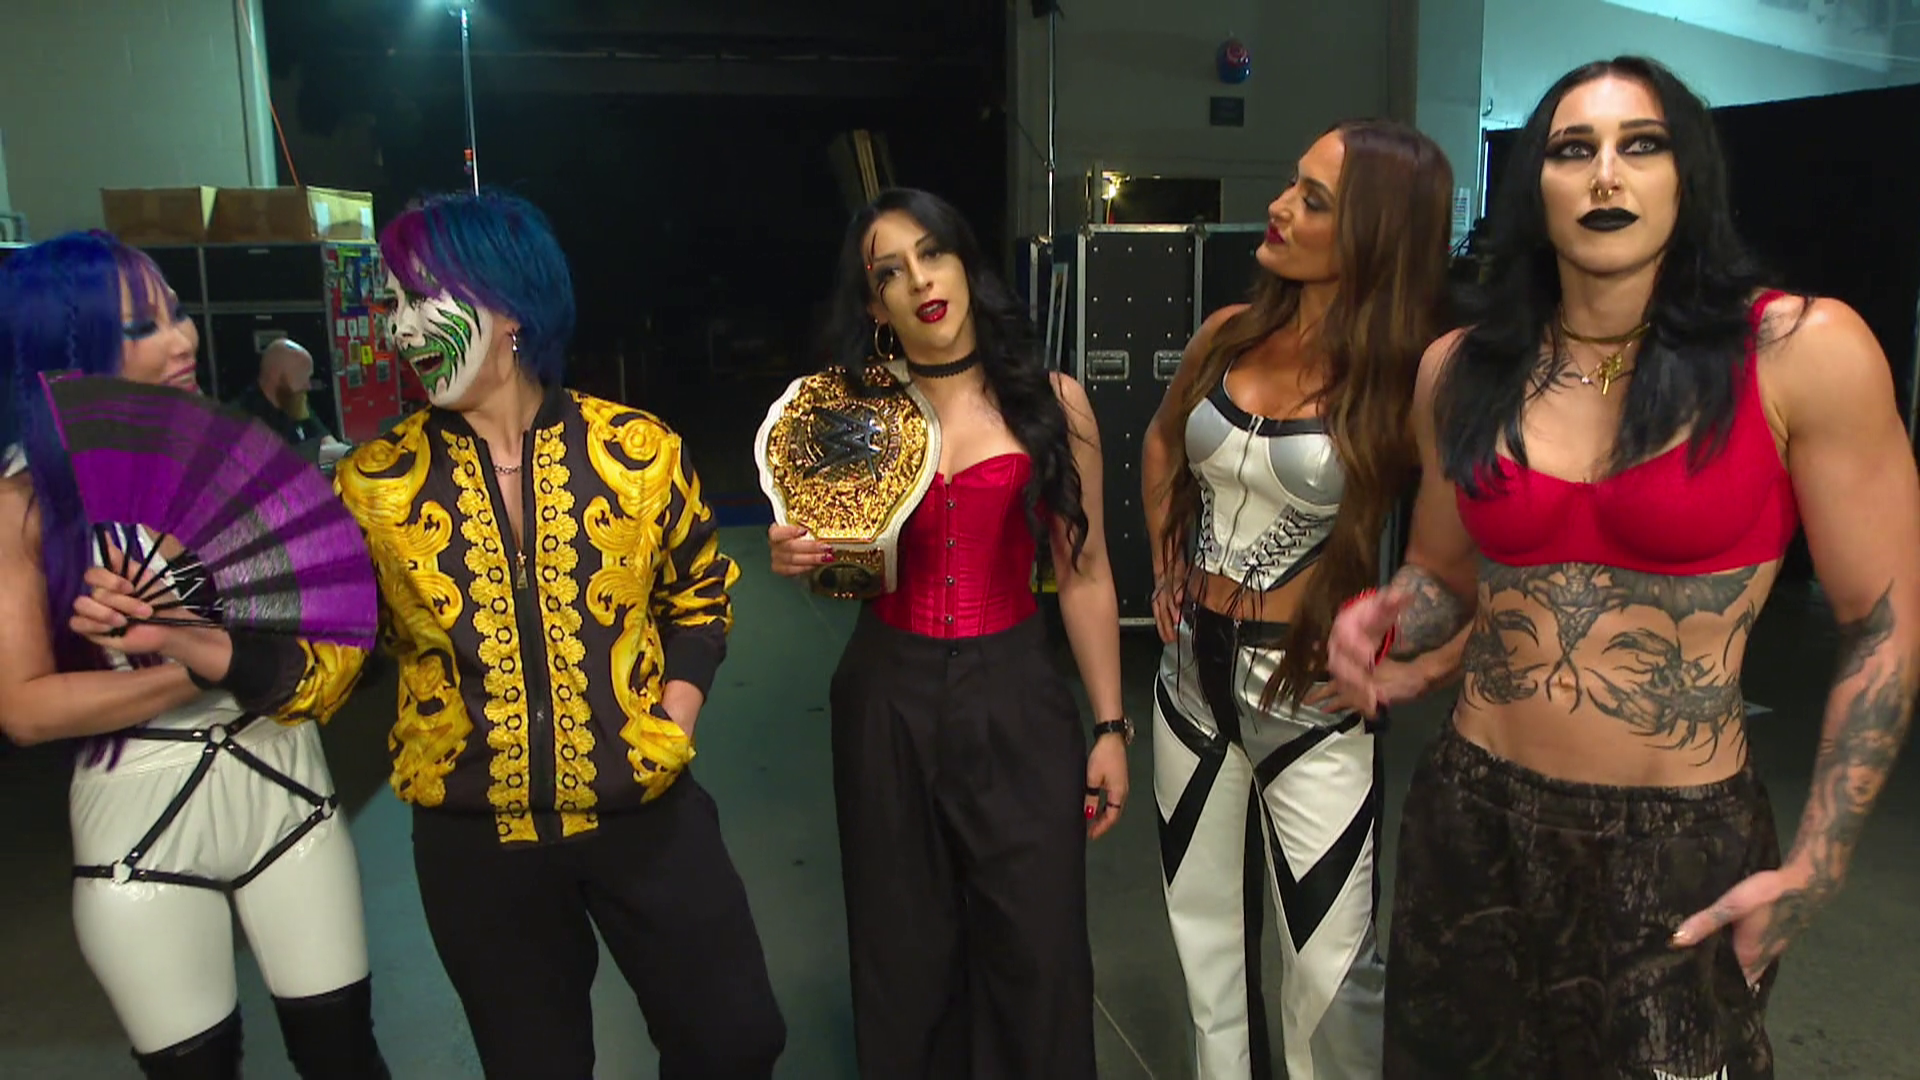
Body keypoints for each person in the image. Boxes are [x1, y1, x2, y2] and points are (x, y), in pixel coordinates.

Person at [1327, 56, 1920, 1079]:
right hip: (1473, 816)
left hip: (1677, 838)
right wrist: (1385, 618)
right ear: (1535, 186)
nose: (1607, 174)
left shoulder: (1800, 351)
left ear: (1689, 176)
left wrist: (1819, 862)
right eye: (1573, 149)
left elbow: (1884, 622)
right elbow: (1445, 576)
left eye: (1641, 146)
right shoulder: (1462, 368)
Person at [326, 190, 786, 1079]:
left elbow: (698, 597)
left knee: (736, 1038)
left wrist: (671, 718)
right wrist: (205, 624)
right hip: (475, 841)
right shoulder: (374, 483)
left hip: (644, 814)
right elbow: (336, 655)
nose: (400, 328)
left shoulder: (639, 451)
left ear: (509, 309)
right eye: (393, 304)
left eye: (421, 298)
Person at [0, 230, 388, 1077]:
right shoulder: (23, 506)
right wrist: (198, 666)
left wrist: (234, 651)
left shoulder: (234, 461)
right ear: (66, 350)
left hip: (291, 790)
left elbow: (318, 638)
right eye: (143, 327)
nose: (183, 339)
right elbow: (23, 708)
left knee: (346, 1057)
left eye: (178, 313)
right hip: (140, 827)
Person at [765, 187, 1127, 1078]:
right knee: (903, 946)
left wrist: (1111, 727)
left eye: (933, 254)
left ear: (966, 264)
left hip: (1018, 693)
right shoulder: (851, 417)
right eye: (891, 272)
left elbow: (1084, 574)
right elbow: (850, 572)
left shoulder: (1054, 403)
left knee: (1038, 943)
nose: (921, 281)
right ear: (873, 305)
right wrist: (806, 552)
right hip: (887, 695)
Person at [1140, 119, 1462, 1079]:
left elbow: (1462, 558)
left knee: (1329, 972)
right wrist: (1165, 558)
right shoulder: (1227, 335)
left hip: (1312, 696)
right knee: (1204, 940)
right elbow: (1161, 443)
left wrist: (1413, 654)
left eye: (1313, 200)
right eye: (1292, 184)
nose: (1278, 207)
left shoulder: (1413, 376)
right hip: (1188, 678)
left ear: (1375, 232)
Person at [233, 338, 350, 466]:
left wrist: (349, 454)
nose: (308, 386)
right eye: (301, 377)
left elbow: (325, 438)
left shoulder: (293, 402)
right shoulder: (241, 418)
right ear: (276, 376)